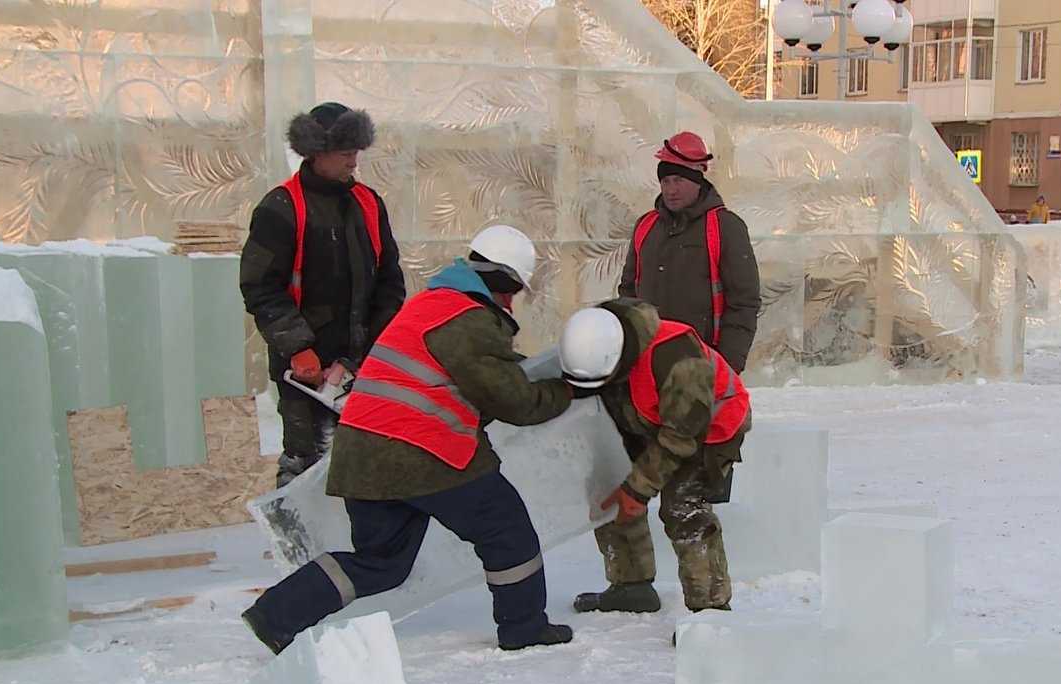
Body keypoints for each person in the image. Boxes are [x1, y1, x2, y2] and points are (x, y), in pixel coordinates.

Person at [242, 226, 580, 654]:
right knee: (506, 532)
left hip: (362, 453)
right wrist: (566, 391)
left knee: (379, 562)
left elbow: (478, 372)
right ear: (505, 283)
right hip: (424, 450)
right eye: (514, 292)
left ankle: (276, 614)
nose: (513, 303)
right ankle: (524, 627)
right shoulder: (469, 319)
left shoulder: (430, 306)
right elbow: (512, 400)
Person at [240, 102, 406, 487]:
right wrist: (298, 348)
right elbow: (260, 287)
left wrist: (364, 356)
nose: (354, 162)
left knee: (366, 467)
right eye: (347, 154)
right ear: (318, 153)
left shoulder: (368, 204)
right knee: (306, 467)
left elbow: (389, 285)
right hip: (305, 372)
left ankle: (360, 547)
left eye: (356, 153)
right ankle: (303, 548)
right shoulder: (281, 208)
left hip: (362, 365)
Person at [559, 298, 751, 626]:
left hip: (707, 428)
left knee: (682, 507)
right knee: (607, 489)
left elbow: (682, 437)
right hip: (646, 417)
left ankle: (711, 613)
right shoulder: (595, 340)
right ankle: (631, 585)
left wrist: (638, 491)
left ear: (619, 358)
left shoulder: (678, 358)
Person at [619, 132, 761, 375]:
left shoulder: (725, 227)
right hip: (647, 365)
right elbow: (628, 292)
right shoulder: (646, 227)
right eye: (665, 181)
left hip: (702, 366)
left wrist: (727, 365)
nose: (671, 189)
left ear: (697, 180)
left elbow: (743, 302)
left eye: (679, 180)